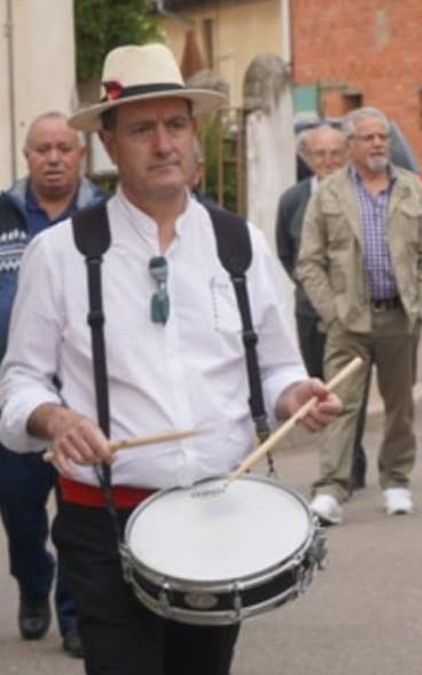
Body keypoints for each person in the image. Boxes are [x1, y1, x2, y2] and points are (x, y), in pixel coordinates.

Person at [0, 43, 341, 675]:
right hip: (105, 520)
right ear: (107, 140)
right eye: (142, 129)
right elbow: (18, 382)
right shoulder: (62, 254)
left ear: (194, 131)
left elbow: (276, 367)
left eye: (176, 125)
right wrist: (56, 419)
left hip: (218, 518)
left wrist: (294, 395)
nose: (164, 145)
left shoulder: (241, 242)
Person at [298, 106, 422, 524]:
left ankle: (396, 481)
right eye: (369, 137)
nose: (379, 143)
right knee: (339, 404)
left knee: (401, 406)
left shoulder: (412, 189)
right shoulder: (328, 193)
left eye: (383, 136)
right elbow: (309, 261)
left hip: (400, 317)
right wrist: (332, 311)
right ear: (350, 145)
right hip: (349, 321)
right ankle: (330, 489)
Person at [0, 110, 104, 659]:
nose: (54, 158)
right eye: (43, 149)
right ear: (27, 157)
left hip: (84, 394)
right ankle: (33, 582)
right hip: (16, 396)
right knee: (18, 509)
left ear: (81, 155)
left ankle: (75, 615)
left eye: (64, 148)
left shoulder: (104, 217)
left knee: (80, 512)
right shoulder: (3, 215)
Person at [275, 123, 371, 491]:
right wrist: (312, 291)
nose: (328, 161)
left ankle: (349, 464)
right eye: (320, 154)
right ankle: (337, 462)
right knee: (319, 384)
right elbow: (287, 252)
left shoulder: (359, 195)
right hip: (310, 311)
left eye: (335, 153)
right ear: (307, 159)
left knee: (349, 390)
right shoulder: (293, 200)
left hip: (352, 312)